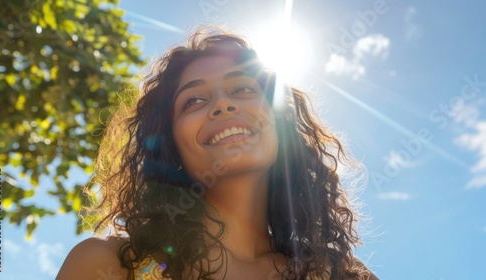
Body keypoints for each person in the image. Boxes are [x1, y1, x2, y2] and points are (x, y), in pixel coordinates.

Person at [57, 27, 379, 280]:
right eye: (193, 100)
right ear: (169, 146)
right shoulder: (109, 266)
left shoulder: (344, 276)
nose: (223, 105)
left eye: (242, 89)